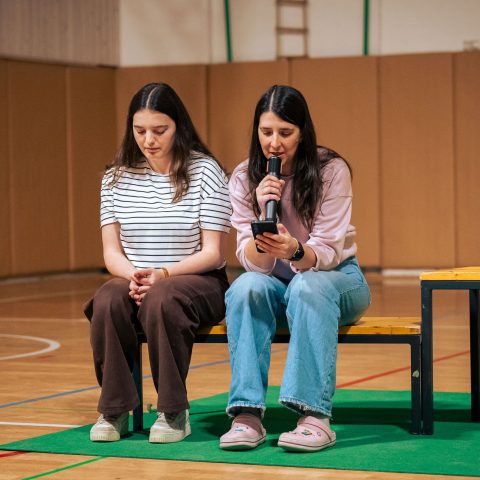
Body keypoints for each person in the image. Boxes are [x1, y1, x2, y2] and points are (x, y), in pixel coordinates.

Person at [219, 85, 371, 452]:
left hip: (336, 279)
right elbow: (254, 264)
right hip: (277, 283)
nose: (274, 143)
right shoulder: (243, 177)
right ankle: (246, 415)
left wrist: (295, 250)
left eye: (285, 132)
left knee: (308, 286)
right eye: (266, 132)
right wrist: (261, 214)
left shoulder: (331, 170)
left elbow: (328, 252)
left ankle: (314, 416)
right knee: (244, 287)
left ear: (302, 133)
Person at [84, 82, 231, 444]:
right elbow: (111, 253)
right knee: (107, 298)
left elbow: (214, 252)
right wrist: (134, 277)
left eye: (159, 130)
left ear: (178, 126)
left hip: (197, 281)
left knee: (163, 297)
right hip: (139, 279)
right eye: (140, 131)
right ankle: (114, 409)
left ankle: (173, 411)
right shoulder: (115, 177)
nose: (148, 140)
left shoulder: (206, 171)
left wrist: (162, 274)